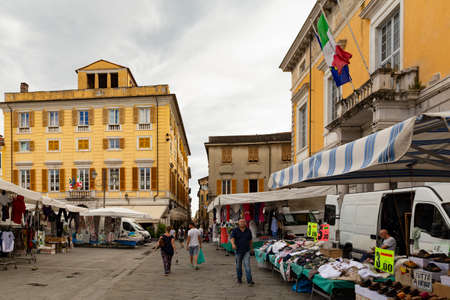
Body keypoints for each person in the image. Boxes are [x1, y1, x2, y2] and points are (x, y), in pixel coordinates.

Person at [230, 219, 255, 286]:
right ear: (238, 223)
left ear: (245, 223)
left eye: (243, 222)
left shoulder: (248, 230)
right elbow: (232, 238)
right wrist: (233, 244)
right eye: (241, 222)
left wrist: (251, 248)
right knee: (238, 266)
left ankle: (249, 281)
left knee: (247, 265)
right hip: (238, 250)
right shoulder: (235, 230)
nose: (242, 223)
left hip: (246, 250)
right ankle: (239, 279)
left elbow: (250, 240)